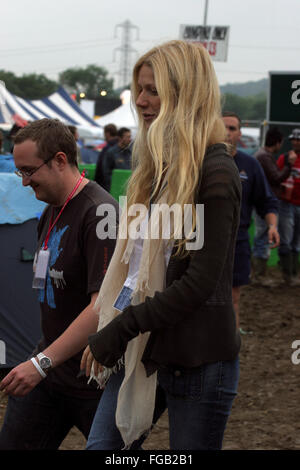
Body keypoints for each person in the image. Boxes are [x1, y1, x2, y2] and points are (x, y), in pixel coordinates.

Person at [80, 40, 242, 451]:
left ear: (184, 93)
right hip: (140, 348)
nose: (140, 100)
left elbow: (199, 284)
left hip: (197, 358)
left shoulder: (216, 172)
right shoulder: (158, 169)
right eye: (140, 88)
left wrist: (123, 326)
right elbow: (135, 271)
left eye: (153, 90)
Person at [0, 118, 119, 450]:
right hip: (51, 372)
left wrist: (41, 363)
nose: (23, 182)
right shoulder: (51, 208)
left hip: (94, 379)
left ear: (60, 160)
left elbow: (103, 305)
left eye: (28, 170)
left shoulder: (100, 212)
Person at [222, 112, 279, 334]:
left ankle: (231, 350)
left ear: (240, 134)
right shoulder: (200, 161)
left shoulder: (250, 165)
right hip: (204, 243)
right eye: (223, 127)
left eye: (233, 128)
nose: (227, 132)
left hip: (238, 241)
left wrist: (272, 226)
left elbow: (267, 201)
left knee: (234, 297)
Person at [252, 127, 293, 286]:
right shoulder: (264, 157)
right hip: (263, 203)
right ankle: (259, 276)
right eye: (281, 142)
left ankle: (258, 274)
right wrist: (288, 166)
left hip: (262, 201)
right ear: (277, 142)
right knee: (262, 236)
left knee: (262, 235)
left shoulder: (263, 155)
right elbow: (276, 178)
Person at [276, 128, 300, 286]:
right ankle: (287, 276)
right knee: (286, 238)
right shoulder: (285, 158)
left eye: (298, 140)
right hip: (286, 203)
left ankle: (294, 273)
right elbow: (276, 177)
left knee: (296, 241)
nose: (296, 142)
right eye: (294, 139)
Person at [102, 126, 132, 192]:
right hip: (115, 189)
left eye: (130, 137)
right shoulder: (111, 152)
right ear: (120, 138)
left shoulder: (131, 152)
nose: (130, 139)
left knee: (125, 202)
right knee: (121, 202)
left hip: (129, 189)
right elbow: (106, 173)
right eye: (128, 137)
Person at [95, 123, 118, 189]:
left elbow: (101, 168)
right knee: (122, 198)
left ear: (107, 133)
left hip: (107, 186)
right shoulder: (121, 148)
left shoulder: (108, 148)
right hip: (120, 185)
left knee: (119, 198)